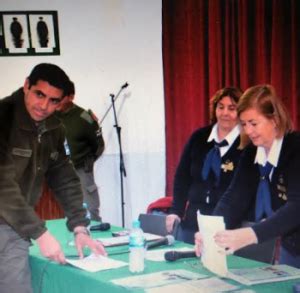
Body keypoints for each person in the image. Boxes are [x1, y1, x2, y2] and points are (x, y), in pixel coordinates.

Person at [0, 63, 106, 293]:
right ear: (27, 85)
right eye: (40, 94)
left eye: (53, 101)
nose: (44, 106)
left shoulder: (54, 128)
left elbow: (64, 177)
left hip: (14, 229)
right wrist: (40, 233)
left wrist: (79, 227)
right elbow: (3, 187)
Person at [195, 84, 300, 268]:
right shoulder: (251, 152)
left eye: (253, 123)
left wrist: (250, 235)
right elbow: (234, 198)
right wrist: (211, 230)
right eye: (243, 124)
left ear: (274, 120)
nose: (248, 131)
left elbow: (296, 208)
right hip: (291, 247)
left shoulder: (296, 149)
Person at [166, 87, 244, 244]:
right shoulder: (199, 137)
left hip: (229, 226)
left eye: (232, 108)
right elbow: (182, 177)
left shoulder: (247, 143)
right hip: (193, 222)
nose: (225, 113)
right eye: (220, 107)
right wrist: (176, 211)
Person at [56, 81, 104, 221]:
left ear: (71, 97)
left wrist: (86, 162)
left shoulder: (84, 118)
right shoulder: (51, 115)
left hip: (80, 170)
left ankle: (94, 240)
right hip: (58, 172)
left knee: (89, 211)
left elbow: (98, 145)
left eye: (61, 97)